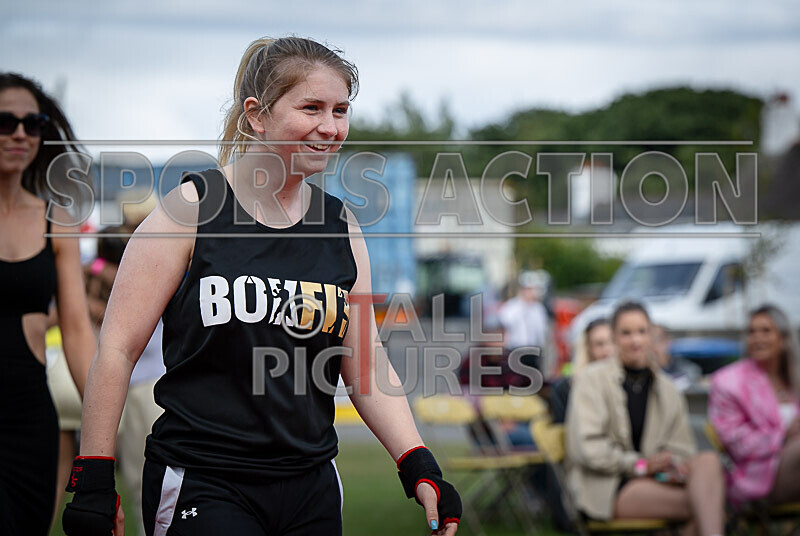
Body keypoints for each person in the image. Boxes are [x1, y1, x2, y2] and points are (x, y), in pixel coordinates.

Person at [62, 37, 460, 536]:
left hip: (309, 483)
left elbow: (365, 361)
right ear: (256, 115)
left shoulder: (341, 227)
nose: (329, 127)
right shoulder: (191, 211)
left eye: (340, 110)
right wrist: (94, 475)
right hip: (204, 480)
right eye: (311, 107)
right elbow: (117, 348)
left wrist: (417, 463)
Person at [0, 72, 96, 535]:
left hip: (29, 422)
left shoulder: (56, 218)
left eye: (32, 123)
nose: (20, 133)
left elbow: (77, 331)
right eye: (5, 122)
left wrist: (102, 425)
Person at [566, 301, 725, 536]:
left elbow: (682, 446)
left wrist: (673, 467)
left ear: (652, 335)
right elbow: (589, 449)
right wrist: (640, 465)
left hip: (659, 480)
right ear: (614, 337)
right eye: (626, 333)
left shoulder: (667, 388)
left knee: (708, 461)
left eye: (642, 331)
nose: (635, 340)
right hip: (612, 485)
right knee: (709, 505)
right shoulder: (592, 380)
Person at [708, 305, 800, 507]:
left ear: (783, 338)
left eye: (766, 331)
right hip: (758, 475)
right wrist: (783, 434)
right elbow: (735, 442)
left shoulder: (794, 380)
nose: (757, 338)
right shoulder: (728, 382)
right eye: (751, 332)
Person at [549, 318, 613, 424]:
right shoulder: (566, 388)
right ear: (588, 348)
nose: (607, 350)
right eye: (599, 344)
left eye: (612, 342)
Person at [498, 270, 551, 373]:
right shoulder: (510, 307)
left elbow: (542, 332)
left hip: (533, 351)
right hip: (514, 351)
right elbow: (503, 328)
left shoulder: (538, 309)